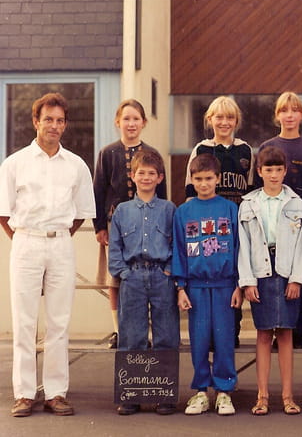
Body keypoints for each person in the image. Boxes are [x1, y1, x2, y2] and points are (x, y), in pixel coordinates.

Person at [0, 92, 96, 417]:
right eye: (48, 119)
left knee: (59, 321)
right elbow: (3, 213)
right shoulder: (15, 164)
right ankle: (25, 394)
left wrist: (57, 237)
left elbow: (81, 213)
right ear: (35, 122)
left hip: (61, 245)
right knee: (24, 321)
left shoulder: (76, 166)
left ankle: (55, 393)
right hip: (25, 242)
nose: (54, 126)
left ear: (65, 124)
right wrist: (24, 238)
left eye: (59, 120)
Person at [238, 147, 302, 416]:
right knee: (264, 333)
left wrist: (297, 279)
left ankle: (288, 396)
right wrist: (248, 281)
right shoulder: (248, 204)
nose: (274, 175)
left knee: (287, 333)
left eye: (279, 169)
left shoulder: (295, 202)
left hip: (287, 270)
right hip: (261, 272)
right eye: (268, 170)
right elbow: (243, 245)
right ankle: (262, 396)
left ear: (285, 171)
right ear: (259, 171)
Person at [108, 149, 179, 416]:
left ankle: (163, 395)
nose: (146, 177)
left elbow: (177, 242)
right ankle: (131, 395)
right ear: (132, 176)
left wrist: (170, 270)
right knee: (131, 334)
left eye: (152, 173)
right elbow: (115, 246)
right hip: (133, 277)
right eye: (141, 173)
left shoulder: (169, 209)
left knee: (166, 334)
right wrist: (123, 273)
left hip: (161, 277)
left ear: (160, 177)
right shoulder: (122, 211)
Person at [94, 99, 167, 350]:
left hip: (149, 222)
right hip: (116, 223)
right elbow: (98, 191)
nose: (131, 123)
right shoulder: (107, 153)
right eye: (126, 118)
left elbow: (163, 194)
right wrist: (99, 226)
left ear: (143, 122)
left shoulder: (152, 154)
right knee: (117, 279)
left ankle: (146, 331)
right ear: (118, 122)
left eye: (136, 118)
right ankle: (119, 329)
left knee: (147, 278)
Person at [173, 153, 242, 416]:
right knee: (199, 339)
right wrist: (181, 287)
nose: (204, 184)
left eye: (209, 178)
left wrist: (239, 284)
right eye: (199, 179)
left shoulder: (230, 209)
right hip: (195, 287)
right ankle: (201, 391)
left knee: (224, 339)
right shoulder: (183, 212)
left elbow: (239, 248)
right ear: (192, 179)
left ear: (218, 179)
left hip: (225, 286)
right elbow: (179, 250)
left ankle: (224, 391)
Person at [252, 91, 302, 349]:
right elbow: (257, 188)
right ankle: (276, 329)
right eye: (284, 110)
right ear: (277, 115)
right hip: (273, 223)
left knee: (299, 277)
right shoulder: (268, 147)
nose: (289, 115)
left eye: (294, 110)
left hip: (300, 223)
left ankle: (298, 330)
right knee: (275, 278)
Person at [184, 95, 252, 348]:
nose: (224, 122)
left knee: (234, 276)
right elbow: (189, 192)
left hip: (235, 224)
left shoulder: (245, 150)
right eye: (219, 117)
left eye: (230, 117)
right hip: (207, 227)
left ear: (237, 121)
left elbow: (251, 190)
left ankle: (232, 332)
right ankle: (208, 339)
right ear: (210, 119)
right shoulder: (201, 149)